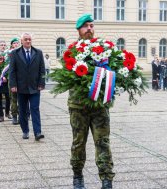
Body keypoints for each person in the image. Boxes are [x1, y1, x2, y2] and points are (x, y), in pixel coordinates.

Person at [67, 14, 115, 189]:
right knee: (79, 142)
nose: (89, 29)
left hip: (100, 106)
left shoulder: (104, 50)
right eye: (86, 26)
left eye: (92, 25)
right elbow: (67, 76)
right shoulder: (72, 50)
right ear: (79, 30)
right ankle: (77, 176)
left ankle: (107, 179)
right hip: (78, 105)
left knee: (103, 142)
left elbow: (112, 72)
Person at [9, 32, 45, 141]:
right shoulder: (15, 53)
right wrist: (13, 84)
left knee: (35, 109)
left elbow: (42, 70)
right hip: (21, 87)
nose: (28, 41)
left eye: (29, 39)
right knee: (23, 110)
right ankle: (25, 131)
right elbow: (12, 71)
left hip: (35, 87)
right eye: (26, 39)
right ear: (21, 41)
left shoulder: (38, 52)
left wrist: (41, 83)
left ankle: (37, 132)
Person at [9, 37, 21, 125]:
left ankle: (22, 115)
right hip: (12, 80)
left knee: (22, 99)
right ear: (11, 45)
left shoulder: (22, 52)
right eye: (14, 43)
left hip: (22, 80)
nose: (16, 44)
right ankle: (14, 116)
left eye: (17, 43)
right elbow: (6, 68)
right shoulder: (8, 54)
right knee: (14, 99)